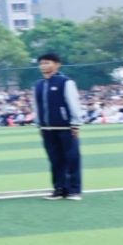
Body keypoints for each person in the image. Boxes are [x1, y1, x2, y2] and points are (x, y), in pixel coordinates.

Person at [33, 53, 83, 200]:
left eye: (47, 63)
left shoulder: (65, 82)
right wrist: (39, 124)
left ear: (57, 64)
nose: (43, 66)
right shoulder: (38, 85)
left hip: (66, 128)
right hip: (47, 129)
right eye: (41, 63)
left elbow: (73, 103)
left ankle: (74, 190)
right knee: (55, 160)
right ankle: (59, 189)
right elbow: (36, 106)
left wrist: (75, 123)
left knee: (72, 158)